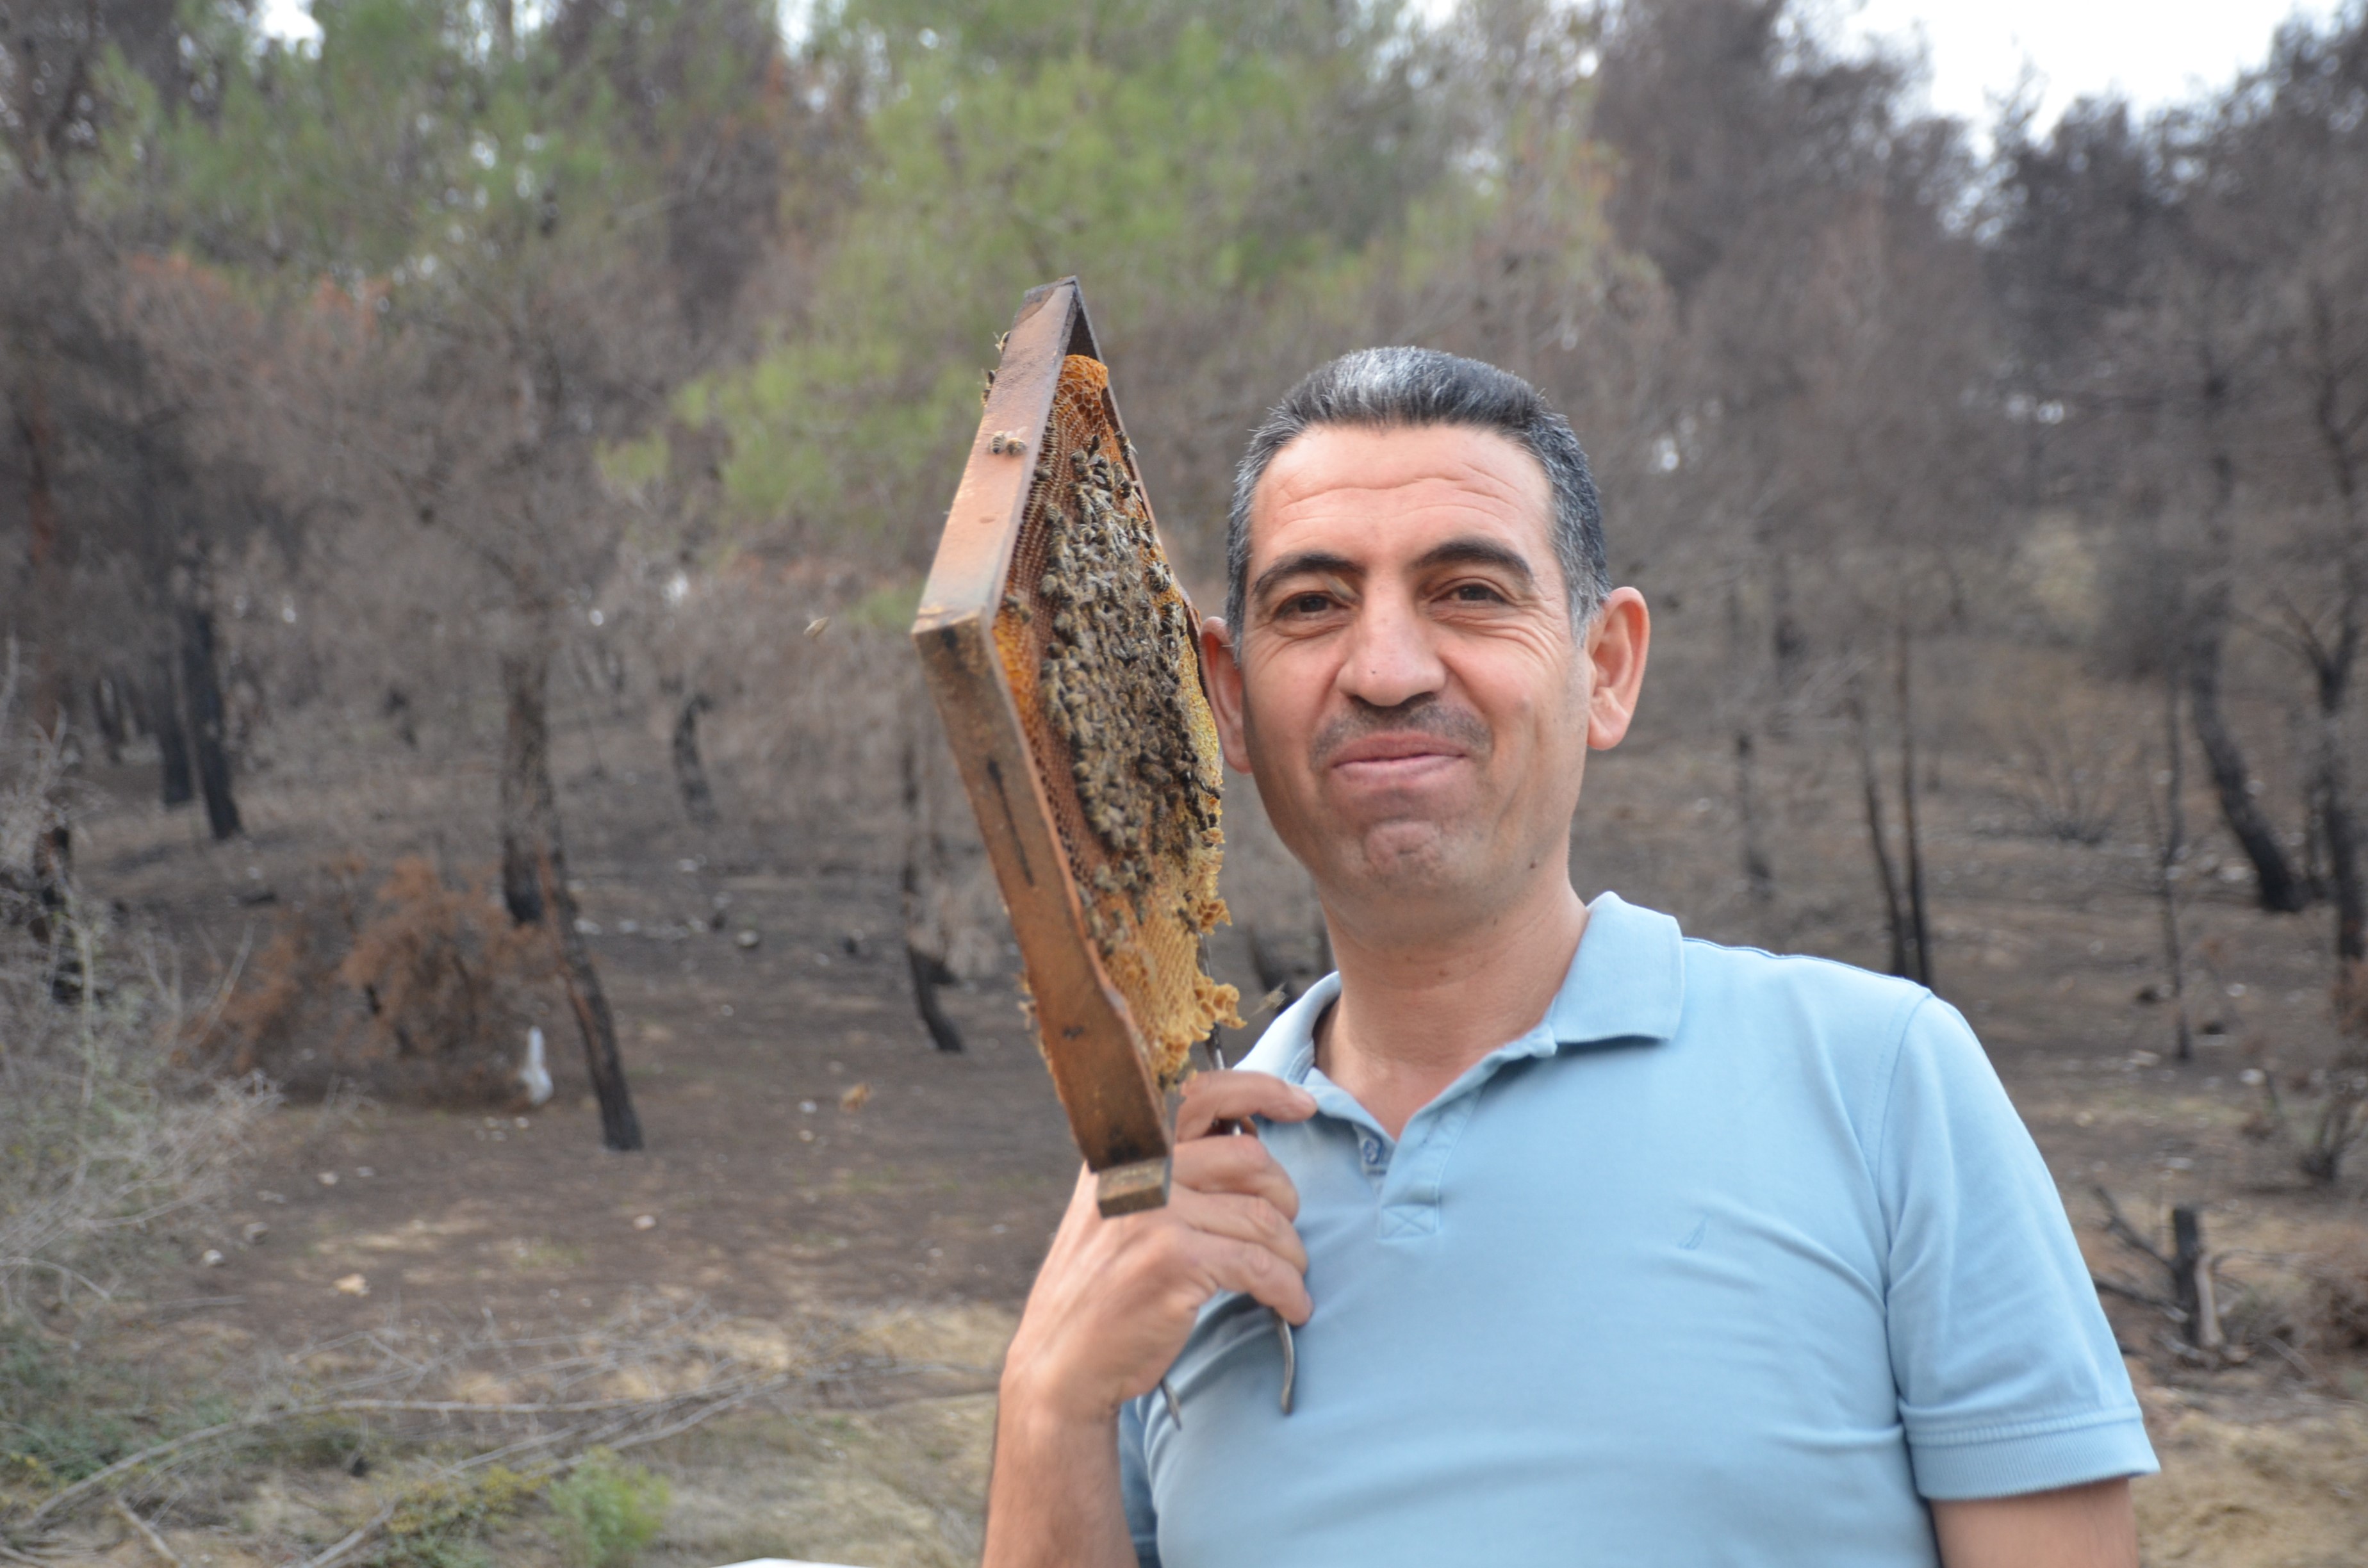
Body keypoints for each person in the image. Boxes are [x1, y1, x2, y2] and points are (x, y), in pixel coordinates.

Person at [983, 348, 2155, 1567]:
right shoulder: (1169, 1194)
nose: (1385, 670)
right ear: (1226, 698)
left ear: (1606, 667)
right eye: (1314, 605)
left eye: (1470, 592)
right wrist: (1048, 1405)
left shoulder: (1879, 1078)